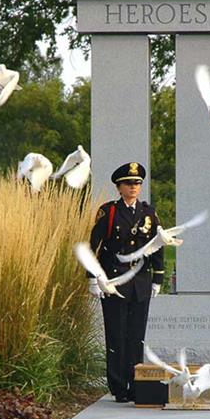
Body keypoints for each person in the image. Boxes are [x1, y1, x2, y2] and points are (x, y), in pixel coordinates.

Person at [87, 161, 165, 403]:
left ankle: (136, 384)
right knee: (116, 334)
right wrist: (92, 278)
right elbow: (94, 246)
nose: (134, 187)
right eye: (129, 184)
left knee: (136, 336)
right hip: (114, 280)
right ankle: (119, 387)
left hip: (140, 282)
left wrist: (158, 277)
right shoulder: (108, 212)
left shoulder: (149, 213)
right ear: (119, 187)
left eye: (137, 183)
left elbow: (157, 246)